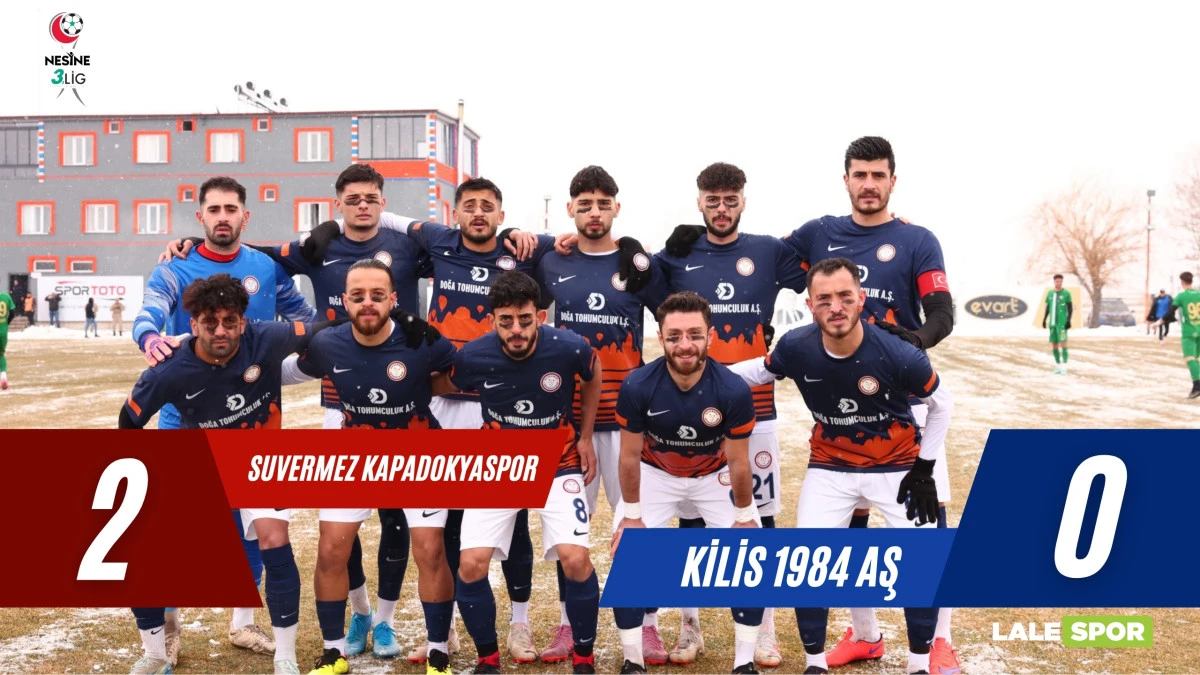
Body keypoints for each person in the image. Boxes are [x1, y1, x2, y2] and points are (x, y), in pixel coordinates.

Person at [118, 273, 351, 675]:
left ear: (243, 322)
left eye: (230, 321)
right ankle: (155, 654)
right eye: (210, 323)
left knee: (275, 539)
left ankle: (285, 656)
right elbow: (129, 421)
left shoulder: (268, 337)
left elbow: (323, 330)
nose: (221, 331)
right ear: (194, 325)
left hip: (260, 463)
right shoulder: (169, 369)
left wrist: (385, 320)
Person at [732, 257, 951, 675]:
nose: (836, 307)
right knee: (807, 562)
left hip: (897, 467)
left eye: (845, 297)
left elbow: (943, 404)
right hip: (831, 467)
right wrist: (703, 373)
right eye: (824, 299)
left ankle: (919, 665)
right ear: (810, 305)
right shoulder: (796, 346)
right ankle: (815, 663)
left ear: (861, 299)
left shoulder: (898, 352)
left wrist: (924, 468)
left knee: (922, 563)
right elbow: (757, 371)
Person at [132, 175, 318, 662]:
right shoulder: (176, 265)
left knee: (254, 526)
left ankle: (243, 622)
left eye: (230, 209)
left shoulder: (265, 267)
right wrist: (151, 338)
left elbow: (304, 316)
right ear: (200, 216)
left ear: (244, 216)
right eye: (213, 209)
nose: (222, 217)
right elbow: (151, 309)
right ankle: (168, 629)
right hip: (184, 416)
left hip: (252, 418)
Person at [650, 162, 807, 668]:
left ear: (743, 200)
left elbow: (824, 262)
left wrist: (890, 226)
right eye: (713, 200)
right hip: (689, 410)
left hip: (755, 408)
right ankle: (689, 626)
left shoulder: (768, 251)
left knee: (759, 517)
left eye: (730, 199)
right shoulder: (678, 253)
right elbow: (628, 269)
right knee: (691, 518)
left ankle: (764, 630)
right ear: (699, 201)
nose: (722, 209)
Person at [288, 259, 457, 675]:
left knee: (430, 550)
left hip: (419, 455)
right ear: (344, 301)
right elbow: (290, 372)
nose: (368, 303)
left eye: (377, 296)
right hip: (355, 455)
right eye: (358, 296)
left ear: (393, 300)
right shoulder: (327, 343)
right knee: (331, 549)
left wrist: (422, 385)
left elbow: (463, 373)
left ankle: (438, 652)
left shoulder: (421, 339)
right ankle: (332, 653)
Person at [532, 165, 666, 664]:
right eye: (584, 204)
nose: (594, 212)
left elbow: (675, 313)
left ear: (616, 208)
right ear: (571, 209)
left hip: (629, 420)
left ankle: (648, 627)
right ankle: (569, 625)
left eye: (603, 204)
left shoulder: (636, 264)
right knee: (570, 533)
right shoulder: (552, 261)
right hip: (571, 424)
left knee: (638, 527)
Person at [442, 270, 602, 675]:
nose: (516, 330)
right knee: (471, 564)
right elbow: (444, 383)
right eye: (506, 321)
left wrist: (585, 436)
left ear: (540, 317)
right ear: (491, 320)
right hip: (500, 464)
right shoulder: (473, 355)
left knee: (575, 559)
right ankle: (488, 658)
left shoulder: (569, 347)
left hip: (558, 461)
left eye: (525, 320)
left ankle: (584, 656)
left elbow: (593, 372)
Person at [611, 290, 763, 675]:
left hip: (714, 475)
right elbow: (628, 456)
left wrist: (744, 516)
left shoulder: (732, 388)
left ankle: (744, 662)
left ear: (710, 336)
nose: (685, 345)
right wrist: (632, 517)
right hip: (656, 472)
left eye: (695, 335)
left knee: (750, 555)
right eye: (674, 336)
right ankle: (633, 661)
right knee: (629, 552)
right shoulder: (637, 385)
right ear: (660, 338)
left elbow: (738, 461)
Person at [1173, 271, 1200, 398]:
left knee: (1189, 358)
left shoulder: (1181, 296)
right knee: (1196, 359)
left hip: (1189, 331)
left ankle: (1197, 386)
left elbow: (1171, 311)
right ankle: (1196, 386)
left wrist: (1160, 321)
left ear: (1182, 282)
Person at [1044, 274, 1072, 373]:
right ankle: (1058, 366)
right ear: (1054, 282)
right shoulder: (1050, 293)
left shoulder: (1066, 294)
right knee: (1054, 344)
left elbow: (1070, 308)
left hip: (1062, 323)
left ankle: (1064, 367)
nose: (1059, 283)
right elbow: (1048, 307)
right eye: (1057, 281)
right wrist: (1044, 319)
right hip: (1052, 324)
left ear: (1062, 282)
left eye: (1060, 281)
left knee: (1063, 343)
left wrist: (1068, 320)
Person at [0, 289, 13, 390]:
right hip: (3, 331)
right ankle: (3, 376)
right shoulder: (6, 296)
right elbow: (12, 313)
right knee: (1, 354)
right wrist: (5, 323)